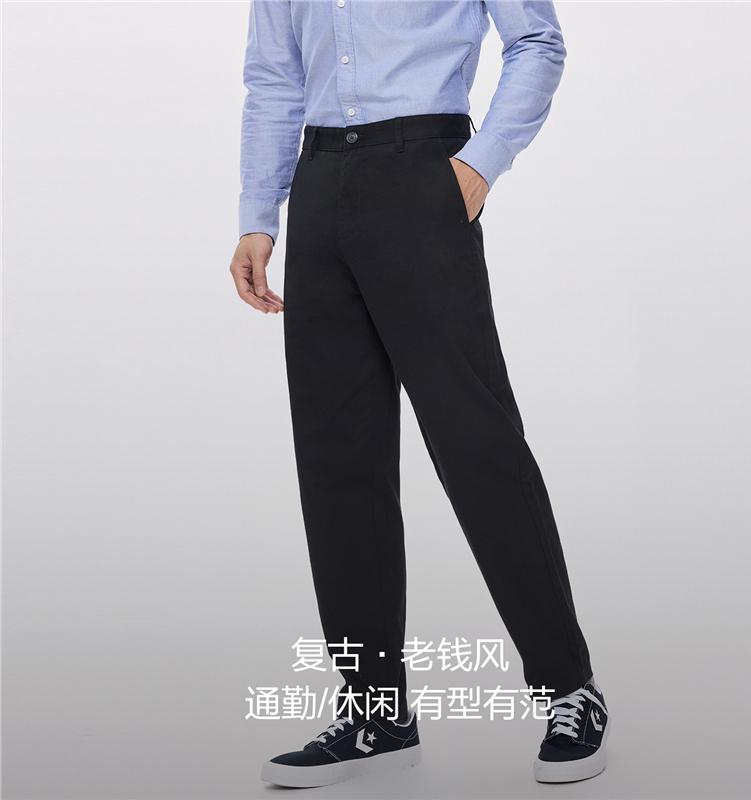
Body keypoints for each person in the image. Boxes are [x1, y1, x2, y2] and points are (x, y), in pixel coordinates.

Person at [229, 0, 611, 788]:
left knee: (477, 444)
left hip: (424, 172)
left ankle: (570, 688)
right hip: (318, 183)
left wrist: (479, 164)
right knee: (338, 462)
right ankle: (376, 713)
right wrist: (258, 215)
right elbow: (273, 77)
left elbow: (537, 40)